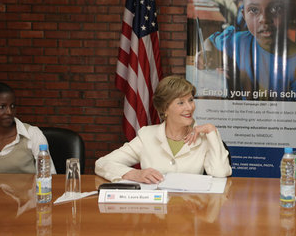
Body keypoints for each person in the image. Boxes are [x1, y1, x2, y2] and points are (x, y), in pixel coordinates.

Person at [196, 0, 296, 101]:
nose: (264, 19)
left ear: (288, 13)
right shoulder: (238, 41)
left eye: (275, 8)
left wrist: (246, 86)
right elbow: (211, 41)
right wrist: (207, 53)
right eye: (254, 10)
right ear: (244, 15)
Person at [95, 75, 232, 183]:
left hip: (189, 213)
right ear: (165, 109)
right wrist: (135, 174)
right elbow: (102, 164)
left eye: (190, 100)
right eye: (180, 103)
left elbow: (220, 173)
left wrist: (212, 131)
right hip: (155, 212)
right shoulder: (147, 136)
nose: (189, 107)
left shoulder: (204, 137)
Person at [0, 82, 56, 174]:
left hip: (27, 189)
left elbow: (49, 177)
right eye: (2, 107)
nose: (9, 112)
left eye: (12, 106)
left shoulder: (32, 134)